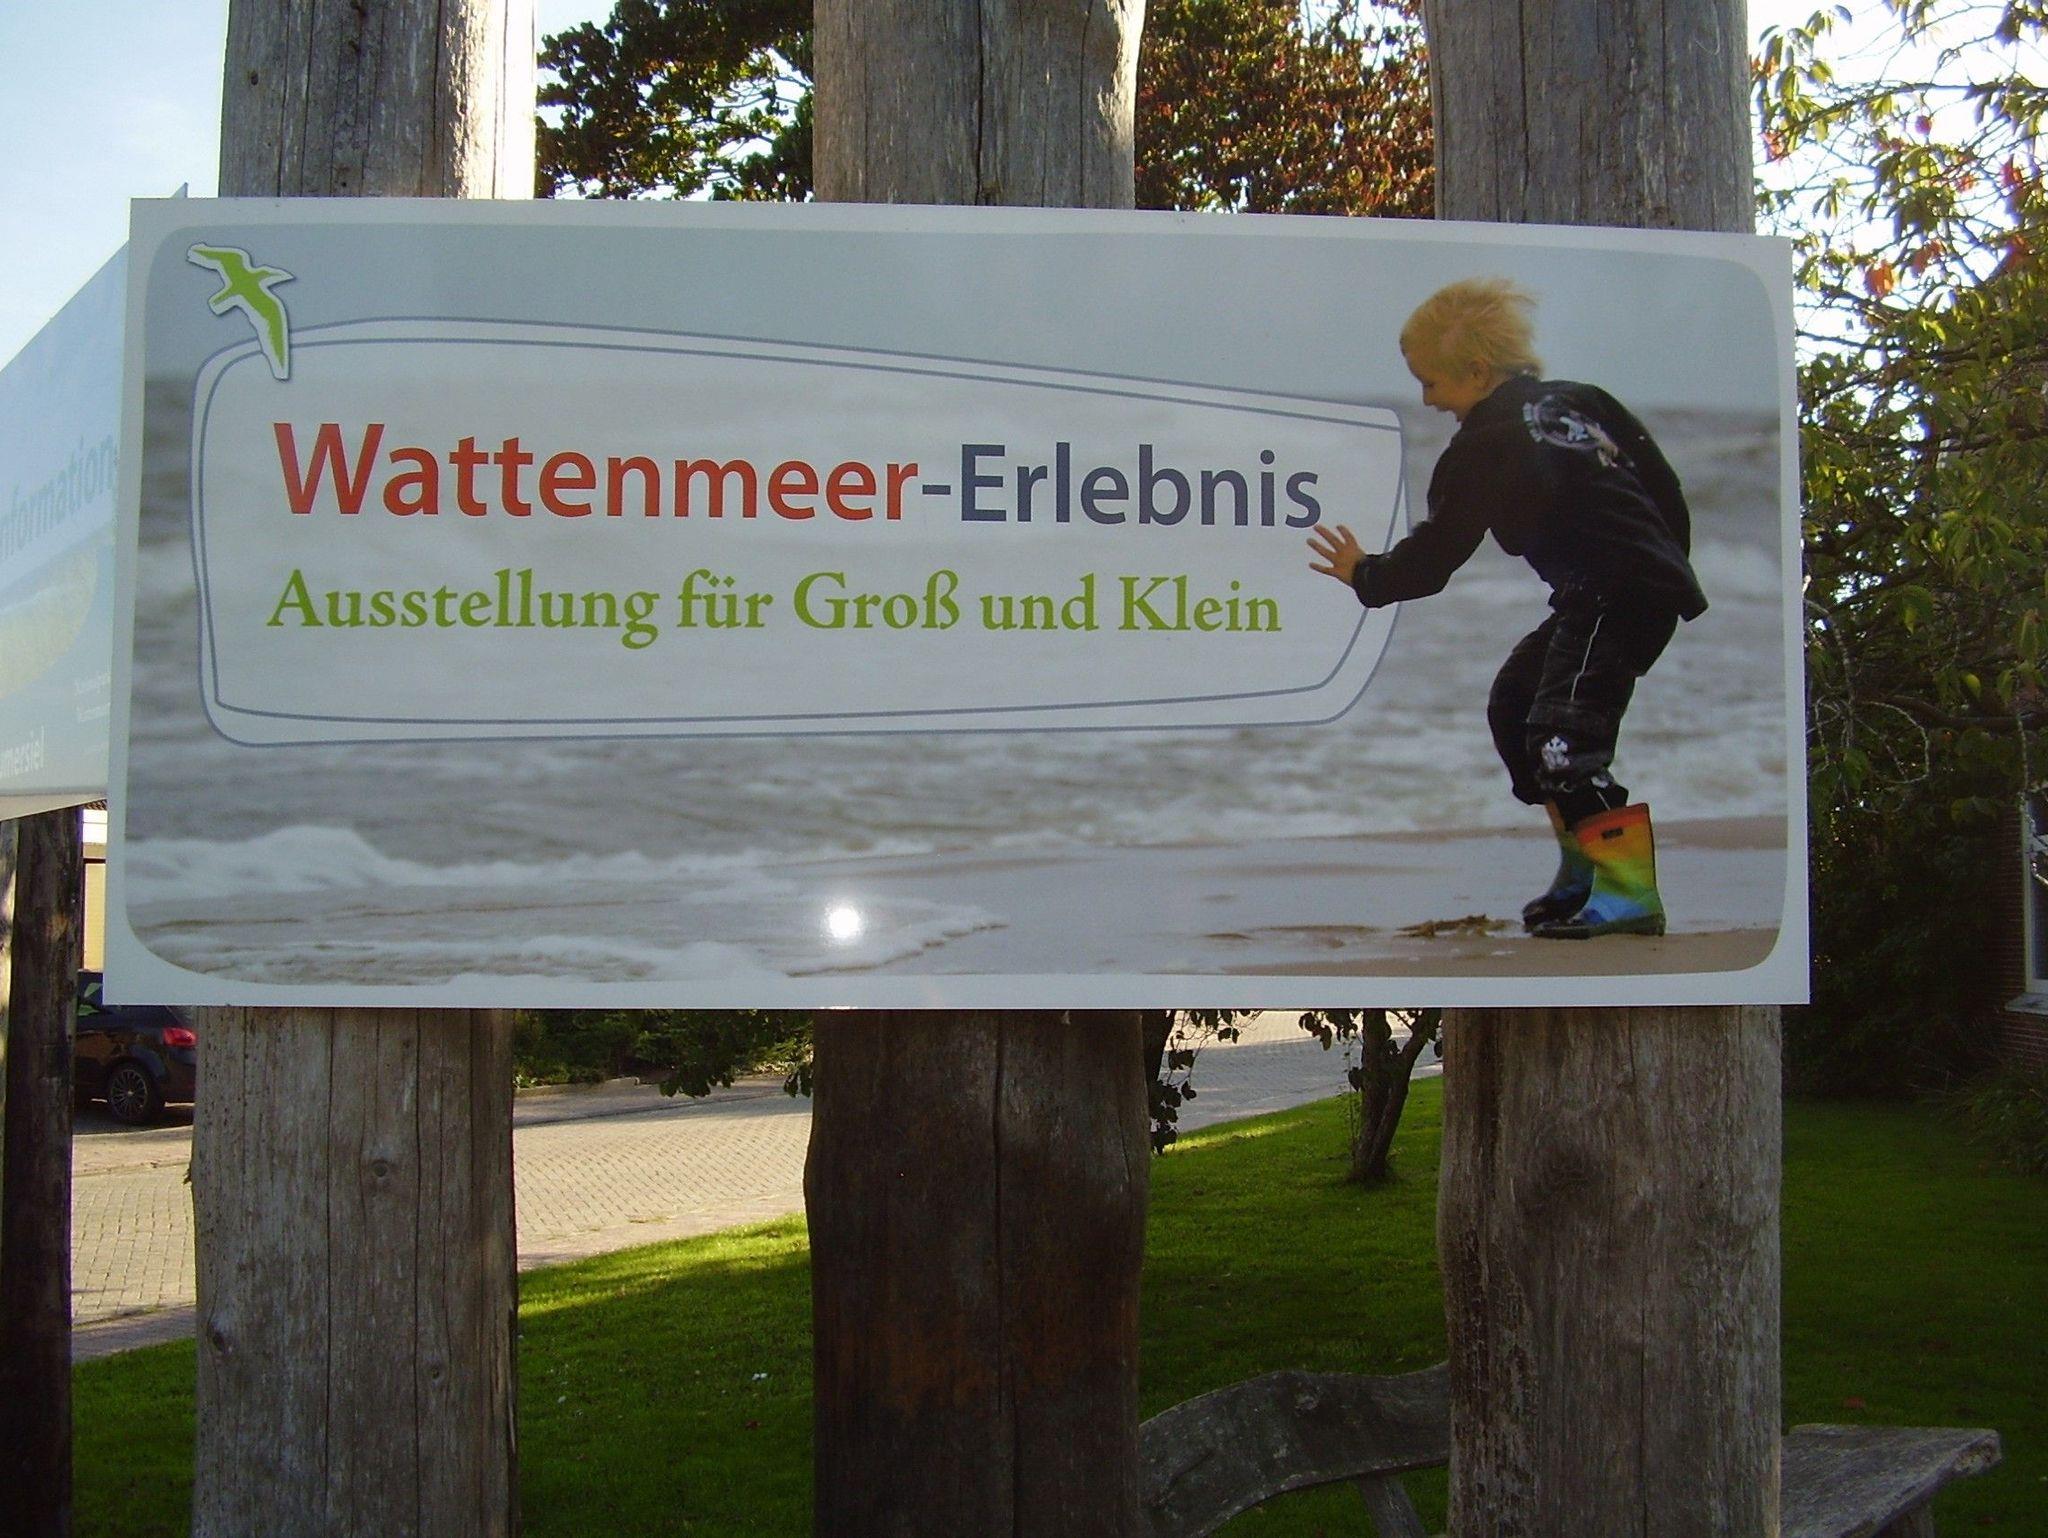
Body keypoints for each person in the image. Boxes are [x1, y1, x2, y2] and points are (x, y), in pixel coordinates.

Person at [1306, 277, 1706, 939]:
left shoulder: (1482, 446)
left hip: (1615, 597)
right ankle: (1584, 869)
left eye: (1431, 383)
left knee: (1563, 744)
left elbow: (1436, 556)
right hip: (1618, 591)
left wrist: (1365, 574)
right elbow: (1662, 487)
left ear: (1476, 371)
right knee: (1517, 703)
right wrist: (1667, 566)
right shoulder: (1583, 402)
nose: (1427, 400)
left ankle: (1629, 894)